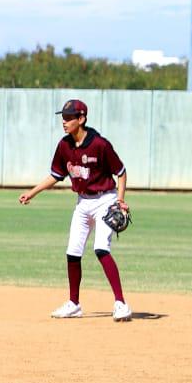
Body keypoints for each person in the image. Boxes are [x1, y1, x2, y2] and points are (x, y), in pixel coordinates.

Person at [19, 99, 132, 322]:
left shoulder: (100, 144)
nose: (65, 121)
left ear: (81, 119)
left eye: (69, 117)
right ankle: (74, 303)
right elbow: (56, 174)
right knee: (73, 252)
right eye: (64, 117)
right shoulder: (64, 146)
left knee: (101, 248)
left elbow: (121, 171)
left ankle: (121, 303)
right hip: (83, 203)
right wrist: (33, 192)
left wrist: (119, 200)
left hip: (105, 200)